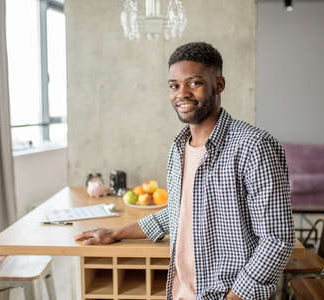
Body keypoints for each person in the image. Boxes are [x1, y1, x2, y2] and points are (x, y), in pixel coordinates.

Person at [75, 42, 294, 300]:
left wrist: (234, 297)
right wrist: (115, 234)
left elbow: (277, 239)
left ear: (219, 84)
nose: (182, 93)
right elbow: (180, 212)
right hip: (181, 292)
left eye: (194, 83)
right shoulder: (178, 148)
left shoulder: (254, 146)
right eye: (174, 85)